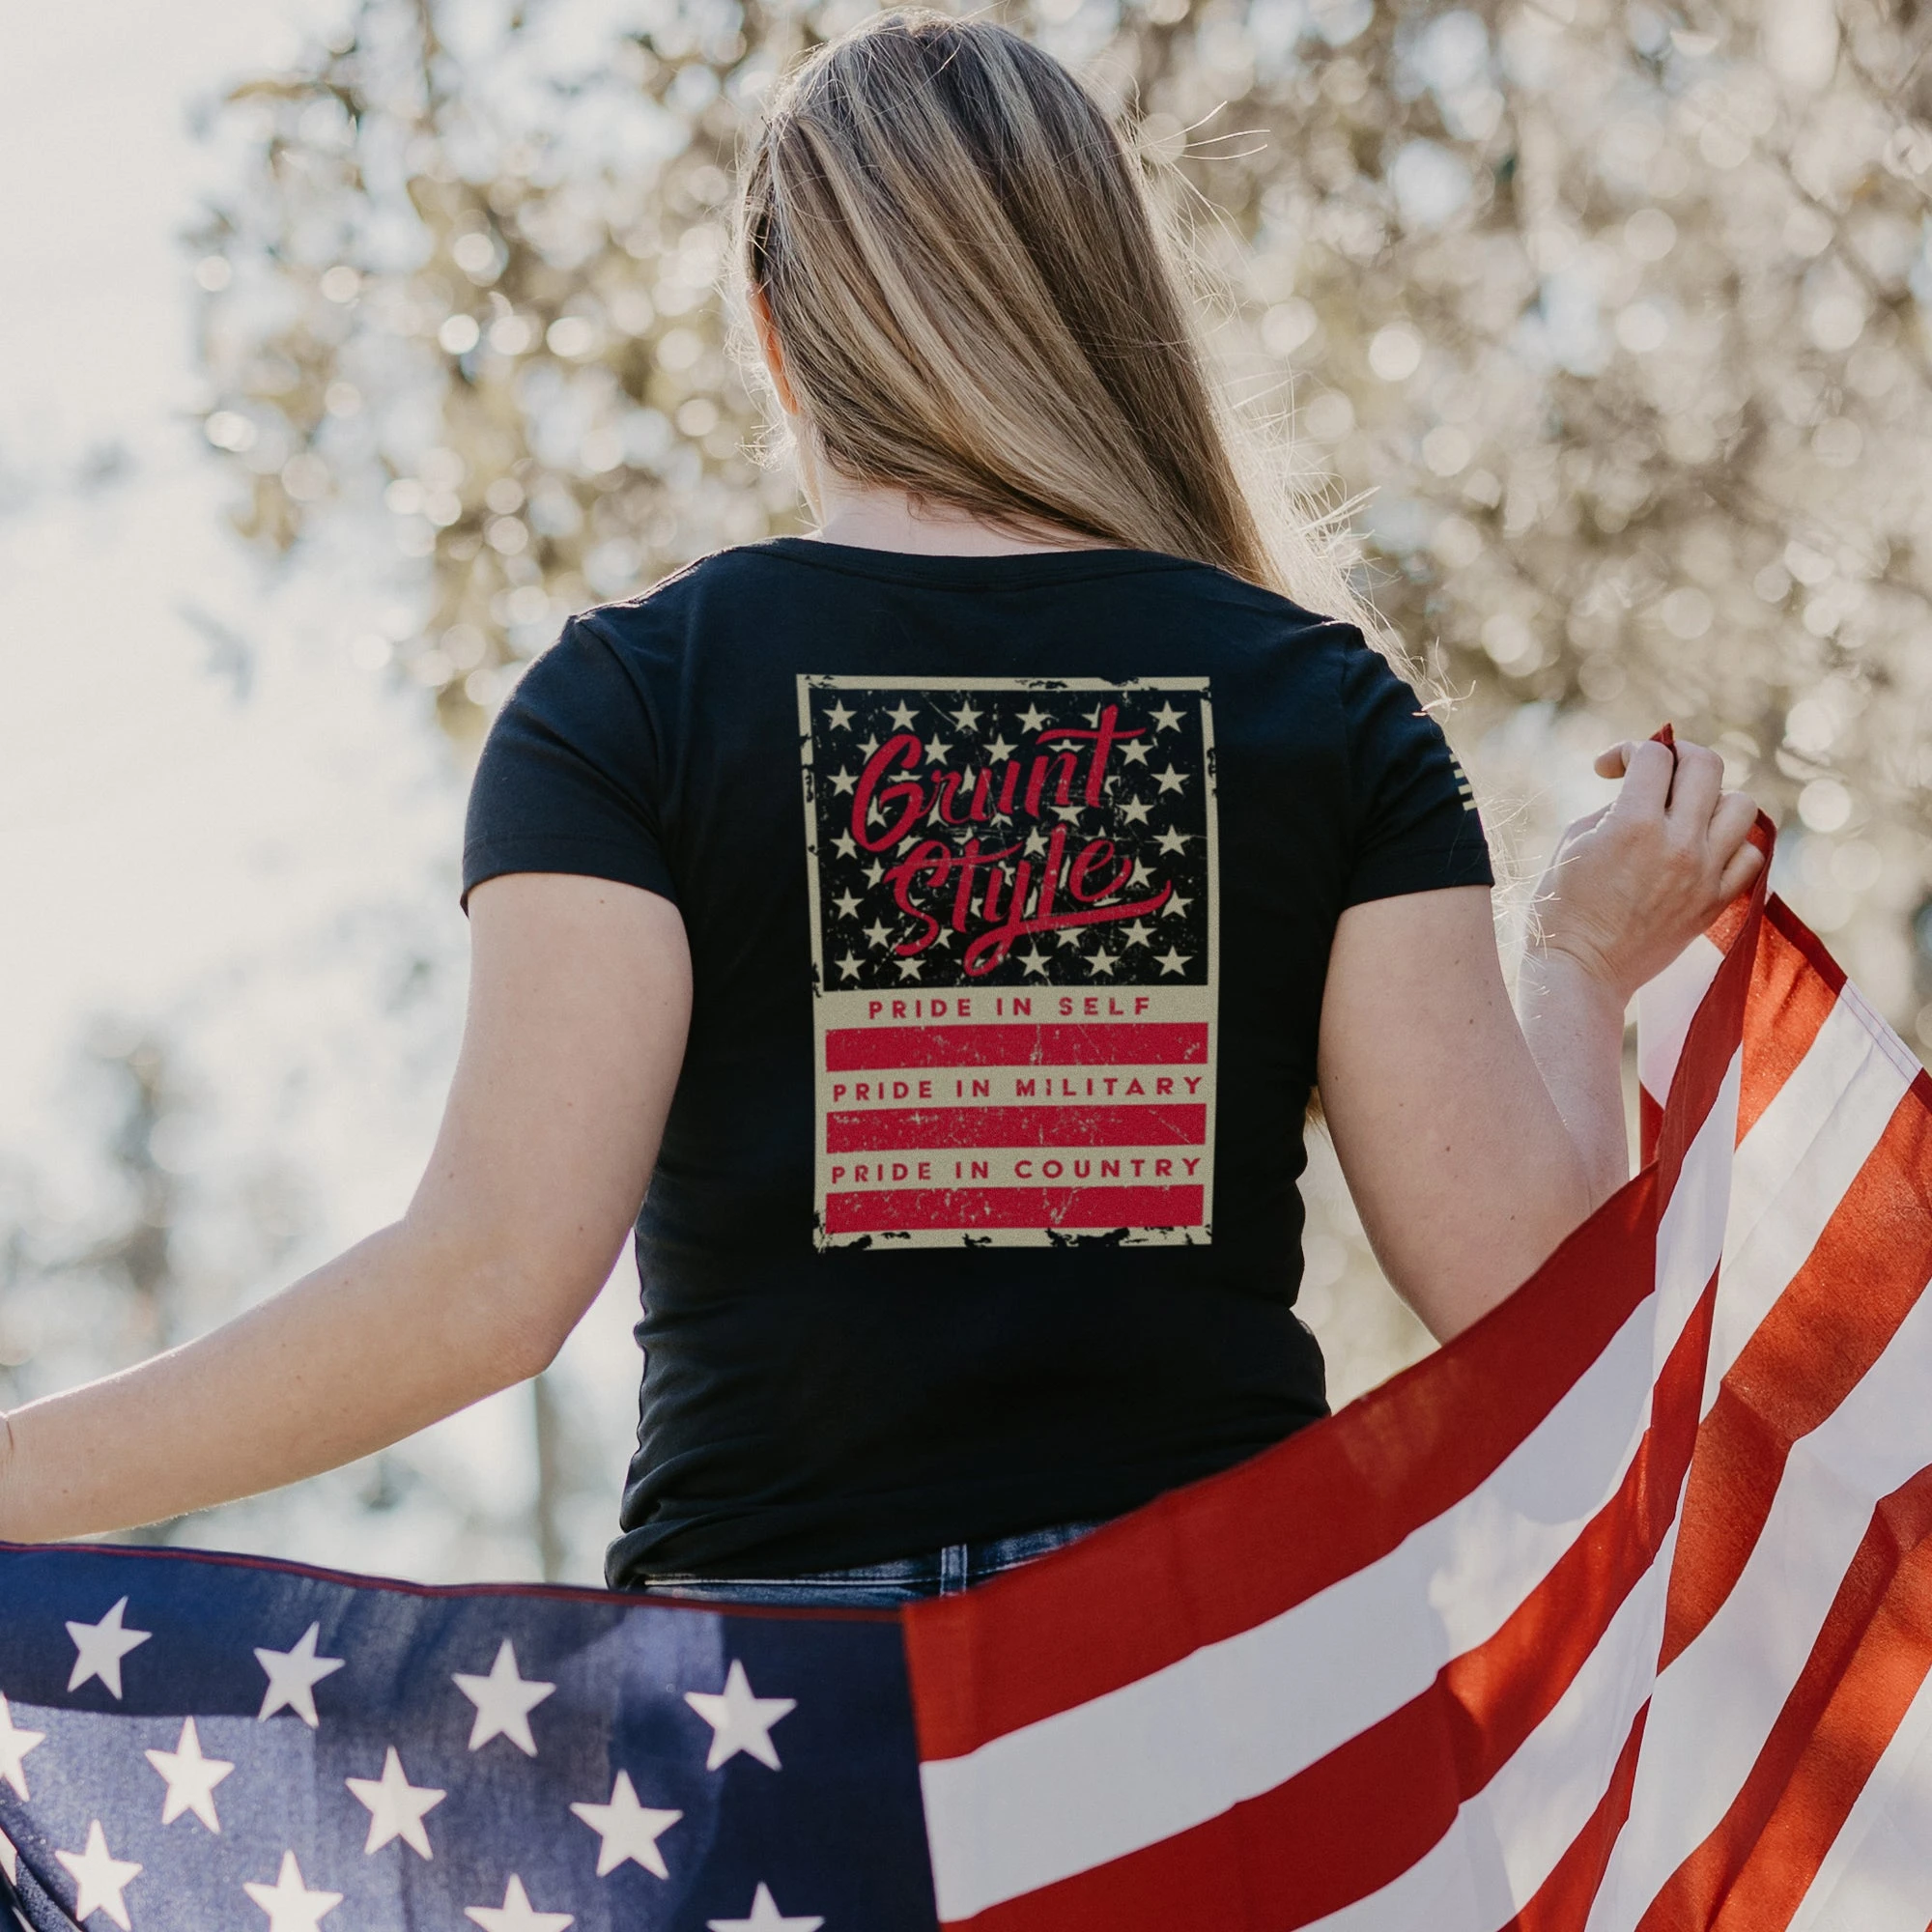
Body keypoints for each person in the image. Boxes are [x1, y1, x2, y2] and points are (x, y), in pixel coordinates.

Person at [0, 14, 1759, 1605]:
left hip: (776, 1727)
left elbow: (484, 1283)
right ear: (1107, 302)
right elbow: (1538, 1311)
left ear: (778, 336)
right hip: (1206, 1703)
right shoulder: (1325, 711)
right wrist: (1579, 964)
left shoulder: (632, 703)